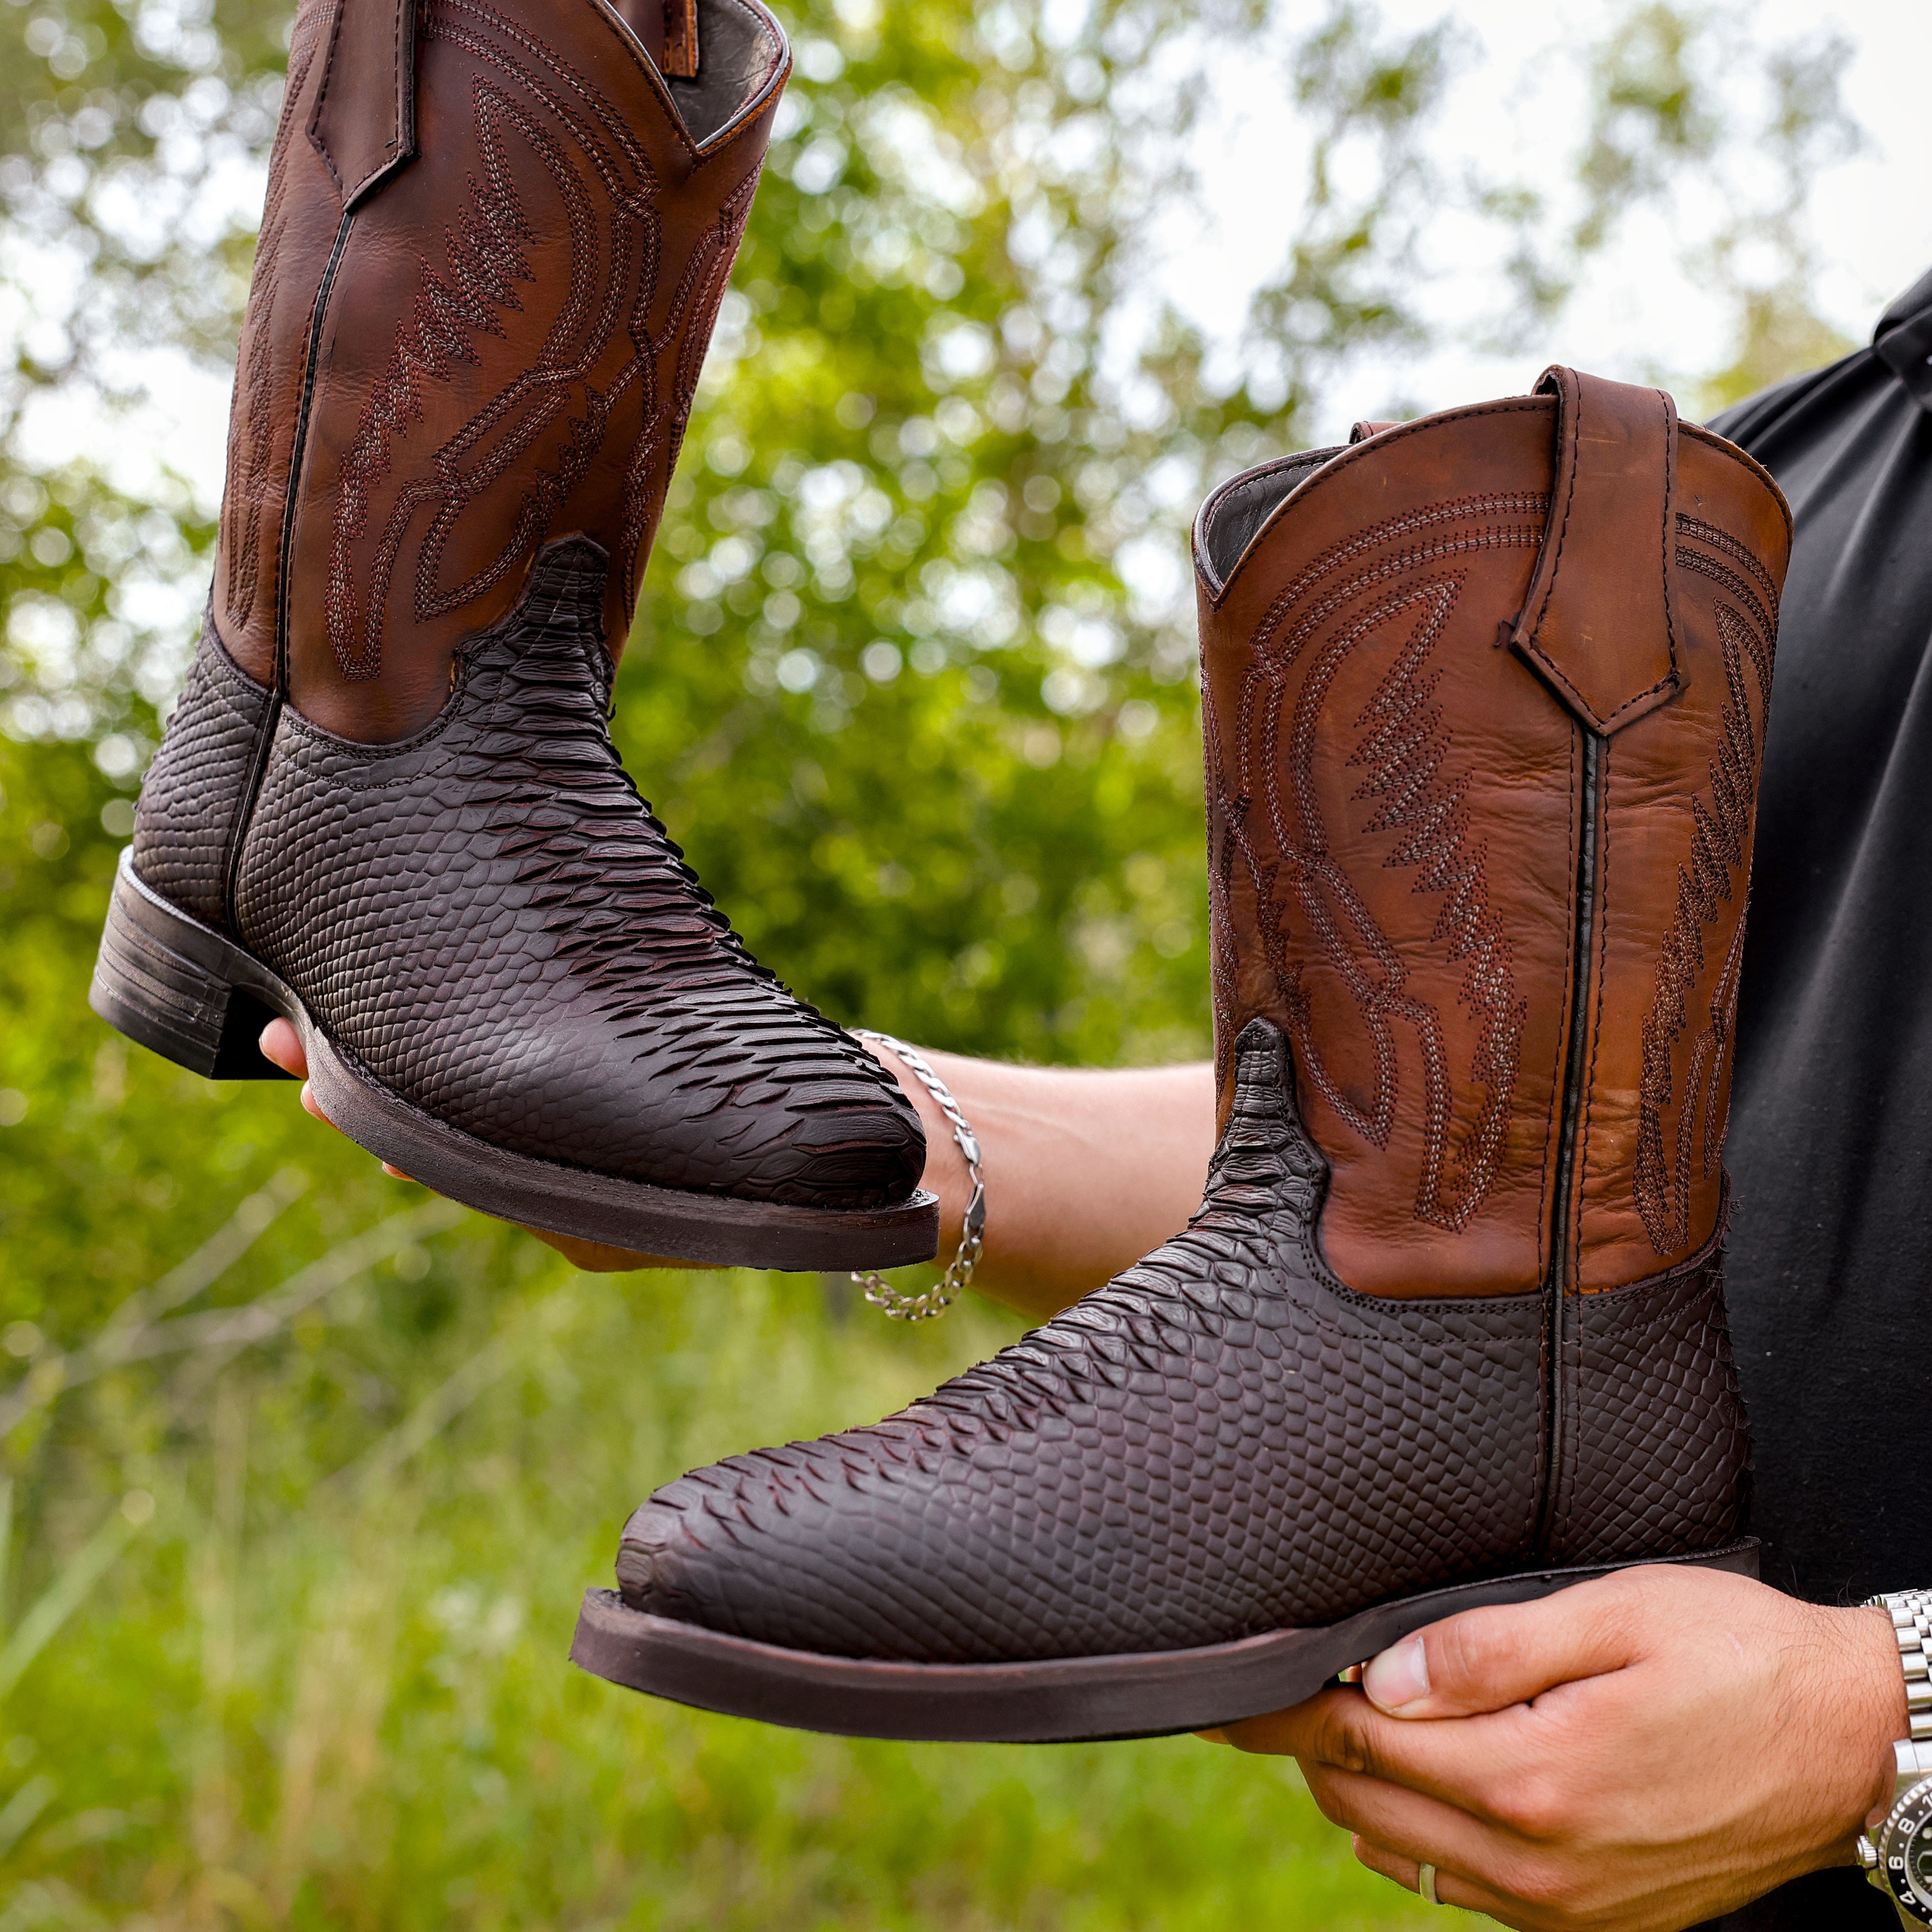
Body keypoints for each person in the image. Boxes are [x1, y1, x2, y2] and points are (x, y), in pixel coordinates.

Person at [257, 262, 1932, 1929]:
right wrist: (857, 1136)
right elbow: (1508, 1155)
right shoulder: (1817, 467)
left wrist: (1888, 1730)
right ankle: (279, 768)